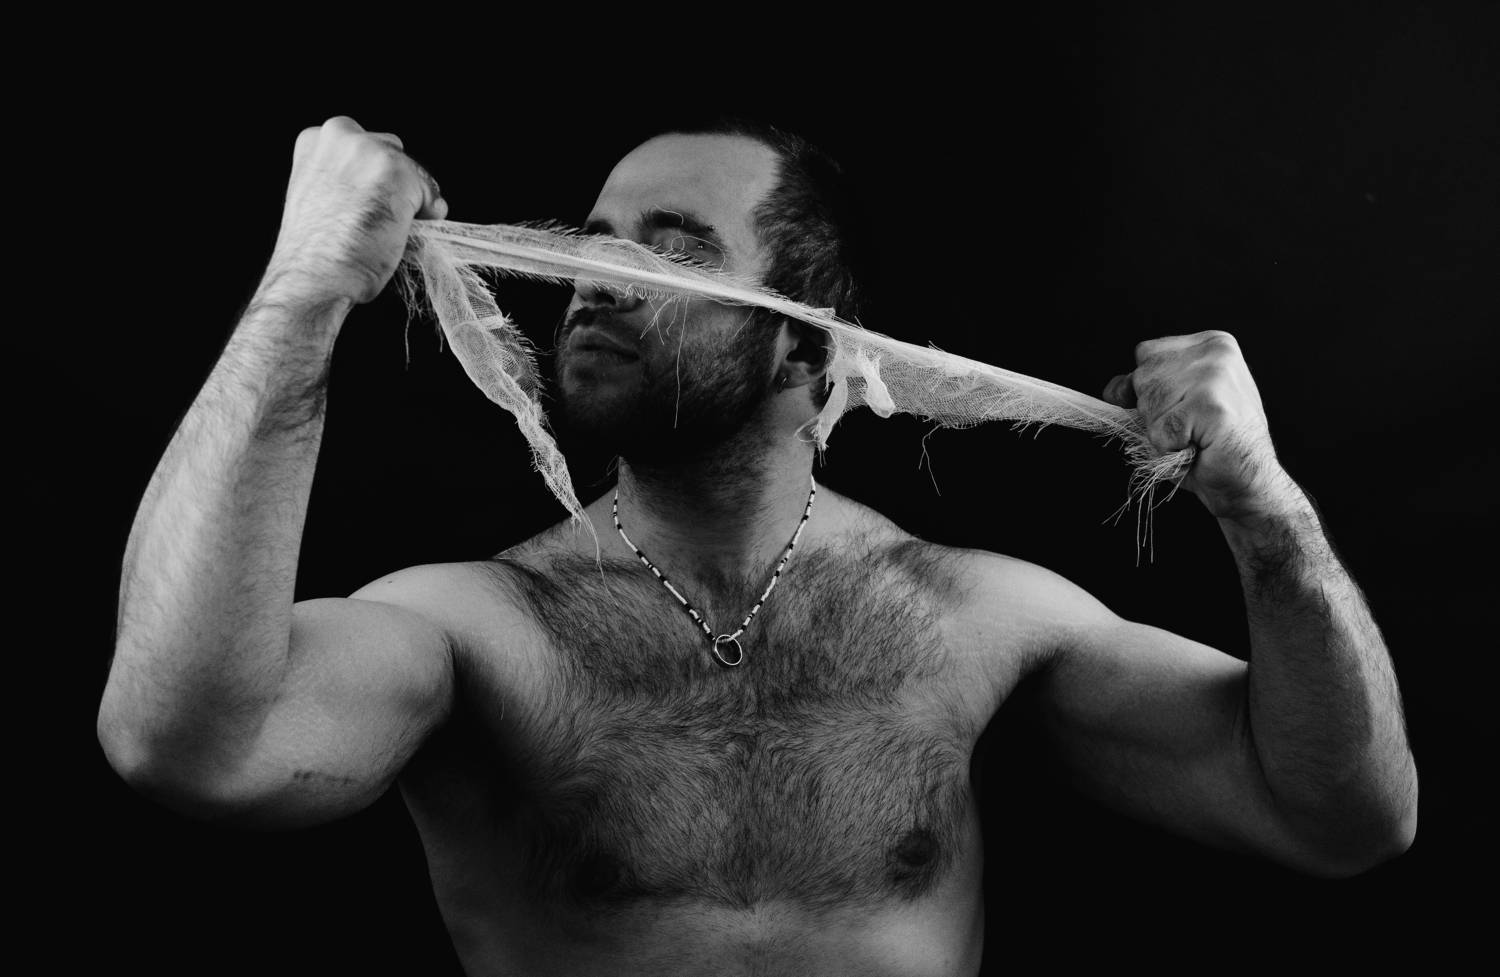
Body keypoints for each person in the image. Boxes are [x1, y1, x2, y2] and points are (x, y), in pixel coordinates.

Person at [98, 115, 1418, 977]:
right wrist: (306, 290)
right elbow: (182, 742)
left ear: (804, 347)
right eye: (593, 246)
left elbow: (1342, 818)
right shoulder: (476, 629)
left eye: (672, 256)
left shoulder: (968, 617)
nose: (597, 281)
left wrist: (1269, 515)